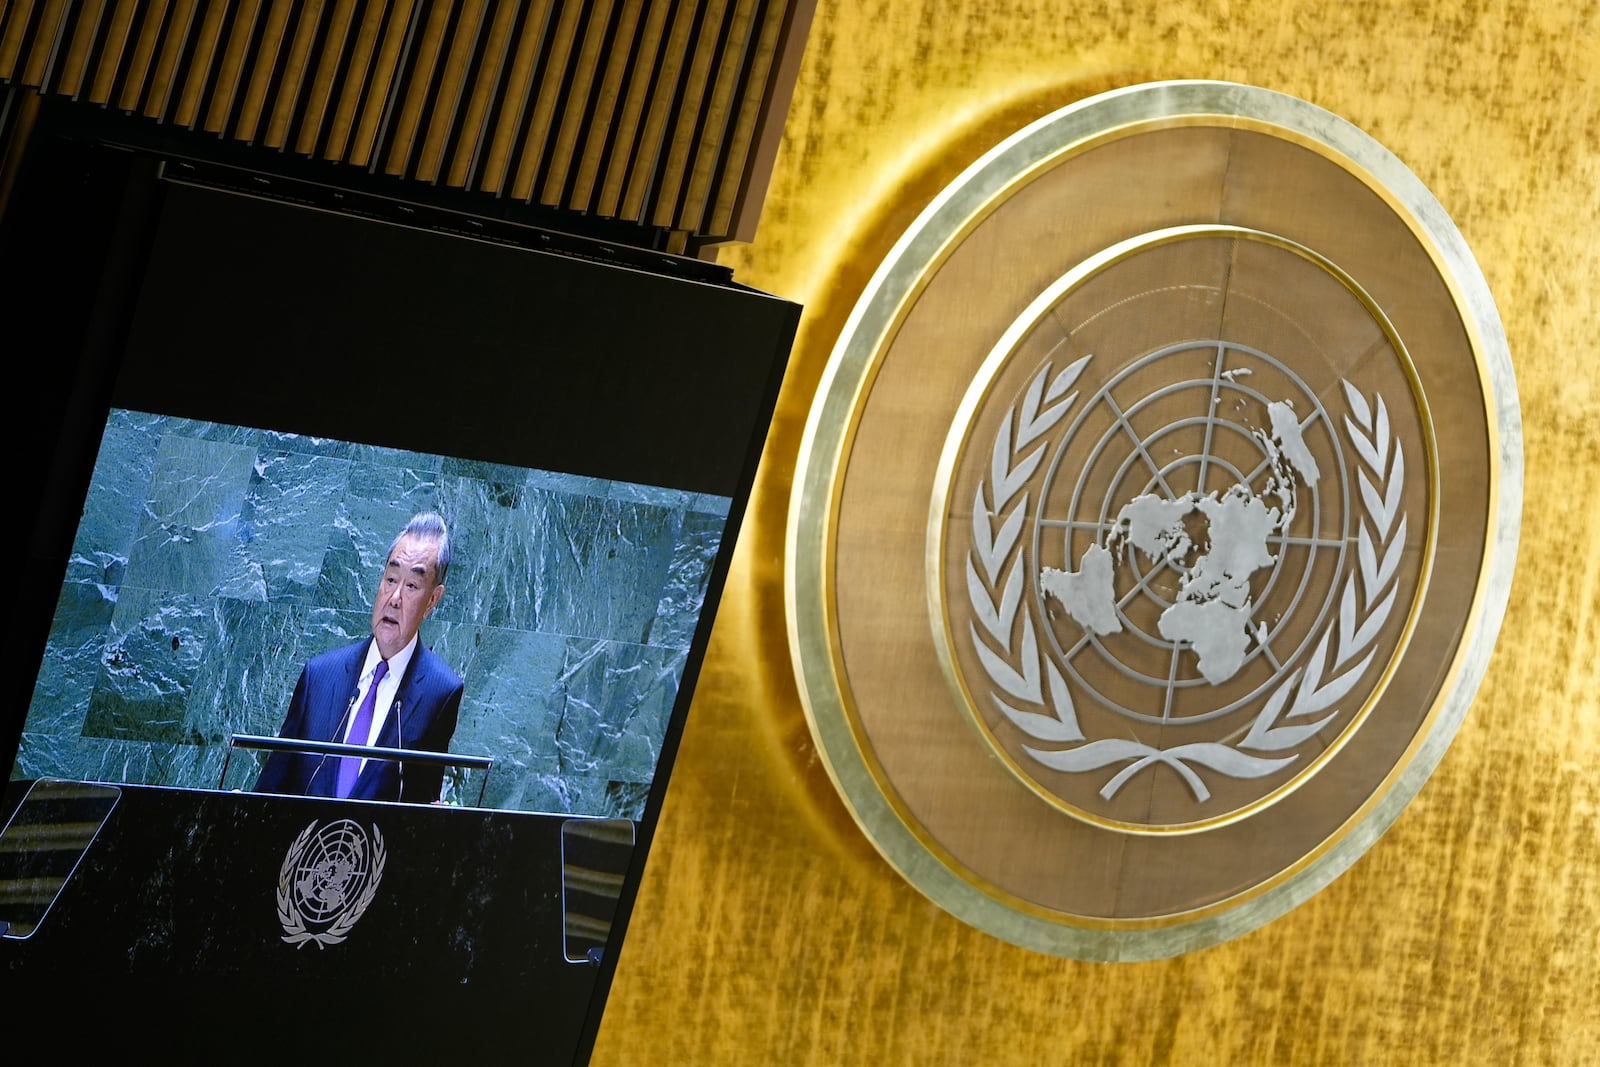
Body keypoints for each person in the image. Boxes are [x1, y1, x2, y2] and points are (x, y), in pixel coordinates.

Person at [254, 511, 464, 804]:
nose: (394, 597)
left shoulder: (440, 692)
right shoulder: (319, 676)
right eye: (391, 579)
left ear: (432, 600)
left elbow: (421, 808)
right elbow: (271, 786)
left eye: (412, 586)